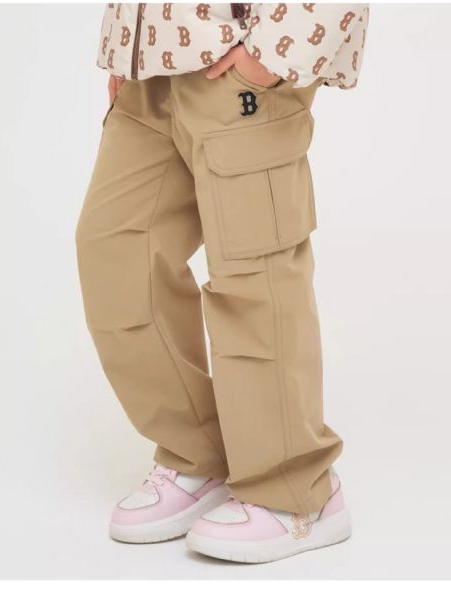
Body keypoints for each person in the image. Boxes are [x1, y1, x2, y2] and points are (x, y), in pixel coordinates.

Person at [76, 3, 369, 564]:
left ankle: (296, 491)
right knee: (115, 253)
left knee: (254, 277)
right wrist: (125, 41)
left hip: (243, 59)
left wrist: (273, 52)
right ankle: (199, 455)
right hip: (152, 60)